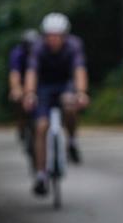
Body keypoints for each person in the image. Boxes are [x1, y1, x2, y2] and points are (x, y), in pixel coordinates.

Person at [22, 13, 89, 196]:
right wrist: (29, 94)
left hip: (65, 84)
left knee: (70, 105)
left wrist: (81, 92)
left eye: (58, 35)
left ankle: (72, 140)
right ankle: (41, 174)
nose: (54, 40)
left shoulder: (74, 46)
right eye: (50, 36)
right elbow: (31, 72)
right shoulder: (37, 48)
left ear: (65, 35)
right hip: (44, 87)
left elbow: (79, 70)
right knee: (41, 126)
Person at [8, 28, 40, 144]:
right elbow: (14, 73)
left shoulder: (41, 52)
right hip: (22, 81)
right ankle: (21, 123)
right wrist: (16, 88)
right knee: (17, 98)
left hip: (38, 81)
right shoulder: (17, 53)